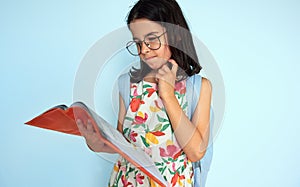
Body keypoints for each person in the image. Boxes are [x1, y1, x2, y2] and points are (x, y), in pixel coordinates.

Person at [77, 0, 212, 186]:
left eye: (152, 39)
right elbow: (123, 144)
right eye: (138, 43)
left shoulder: (199, 87)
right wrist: (95, 142)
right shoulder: (126, 84)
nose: (144, 50)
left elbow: (196, 152)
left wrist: (168, 95)